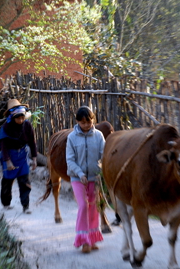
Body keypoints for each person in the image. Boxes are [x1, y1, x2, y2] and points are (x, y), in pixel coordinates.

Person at [66, 106, 105, 253]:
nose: (86, 125)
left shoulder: (99, 136)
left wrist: (101, 173)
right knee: (83, 206)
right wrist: (80, 173)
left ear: (93, 120)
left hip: (95, 178)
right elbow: (70, 160)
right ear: (77, 122)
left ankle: (92, 238)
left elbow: (104, 155)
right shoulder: (71, 138)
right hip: (78, 178)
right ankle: (83, 241)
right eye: (83, 123)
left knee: (94, 207)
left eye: (89, 122)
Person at [0, 99, 38, 214]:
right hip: (9, 156)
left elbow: (32, 142)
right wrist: (8, 161)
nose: (21, 120)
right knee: (7, 182)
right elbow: (3, 146)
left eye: (22, 118)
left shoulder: (27, 125)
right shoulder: (6, 127)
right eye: (18, 118)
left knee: (25, 181)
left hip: (22, 156)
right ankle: (6, 203)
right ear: (12, 117)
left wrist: (34, 158)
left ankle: (26, 206)